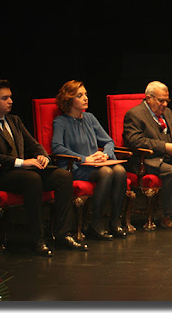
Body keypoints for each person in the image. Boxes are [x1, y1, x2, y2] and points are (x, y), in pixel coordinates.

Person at [0, 78, 88, 256]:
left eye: (11, 97)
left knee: (63, 176)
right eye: (5, 98)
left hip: (21, 172)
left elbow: (33, 144)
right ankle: (37, 239)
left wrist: (42, 155)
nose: (11, 101)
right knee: (31, 178)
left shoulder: (14, 120)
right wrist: (21, 162)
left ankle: (63, 234)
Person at [52, 80, 128, 240]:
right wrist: (85, 158)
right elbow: (57, 148)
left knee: (120, 171)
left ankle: (115, 221)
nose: (86, 98)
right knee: (107, 172)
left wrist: (105, 155)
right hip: (75, 167)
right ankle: (95, 222)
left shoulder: (90, 118)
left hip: (95, 165)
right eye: (80, 95)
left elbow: (108, 142)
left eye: (85, 94)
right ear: (69, 99)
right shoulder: (61, 121)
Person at [123, 81, 172, 229]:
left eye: (167, 100)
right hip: (147, 160)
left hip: (170, 156)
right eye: (161, 100)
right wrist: (164, 147)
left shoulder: (168, 113)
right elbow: (135, 141)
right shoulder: (134, 114)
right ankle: (168, 217)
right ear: (148, 98)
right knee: (171, 172)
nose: (165, 104)